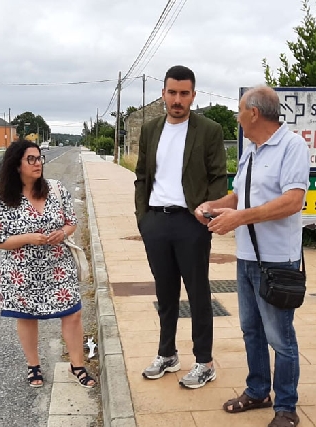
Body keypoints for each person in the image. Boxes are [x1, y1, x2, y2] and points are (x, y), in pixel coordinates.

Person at [197, 86, 309, 427]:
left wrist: (239, 218)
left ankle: (286, 407)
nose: (237, 118)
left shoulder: (292, 146)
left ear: (255, 113)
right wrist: (213, 207)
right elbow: (239, 195)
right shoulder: (252, 150)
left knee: (280, 337)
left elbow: (293, 201)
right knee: (251, 331)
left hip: (277, 260)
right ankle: (258, 391)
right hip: (246, 257)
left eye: (240, 112)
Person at [134, 65, 227, 389]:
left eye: (184, 93)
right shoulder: (150, 129)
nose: (177, 99)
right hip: (156, 221)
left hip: (192, 222)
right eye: (172, 92)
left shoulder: (209, 130)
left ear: (193, 95)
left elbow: (218, 177)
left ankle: (204, 361)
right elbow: (142, 177)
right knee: (165, 291)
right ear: (163, 93)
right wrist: (143, 219)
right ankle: (167, 353)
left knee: (198, 293)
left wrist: (208, 212)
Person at [0, 140, 96, 389]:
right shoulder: (5, 199)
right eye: (31, 159)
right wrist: (27, 238)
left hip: (58, 265)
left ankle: (77, 365)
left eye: (39, 158)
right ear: (17, 166)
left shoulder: (55, 189)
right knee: (26, 317)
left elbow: (72, 221)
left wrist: (62, 233)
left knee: (73, 313)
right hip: (21, 271)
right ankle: (33, 366)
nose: (37, 164)